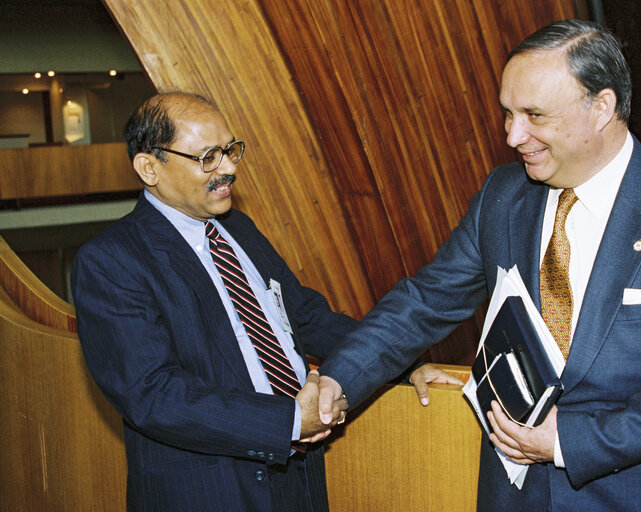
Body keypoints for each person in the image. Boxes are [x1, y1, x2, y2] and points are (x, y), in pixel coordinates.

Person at [316, 19, 641, 511]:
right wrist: (339, 379)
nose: (513, 135)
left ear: (601, 107)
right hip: (511, 495)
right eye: (507, 113)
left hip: (629, 496)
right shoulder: (502, 195)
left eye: (535, 115)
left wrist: (567, 442)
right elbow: (425, 301)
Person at [70, 91, 453, 512]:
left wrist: (397, 361)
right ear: (149, 167)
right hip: (210, 492)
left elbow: (304, 316)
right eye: (208, 158)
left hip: (298, 478)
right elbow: (153, 394)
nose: (230, 168)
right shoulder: (110, 260)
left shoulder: (237, 228)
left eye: (231, 150)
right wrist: (288, 422)